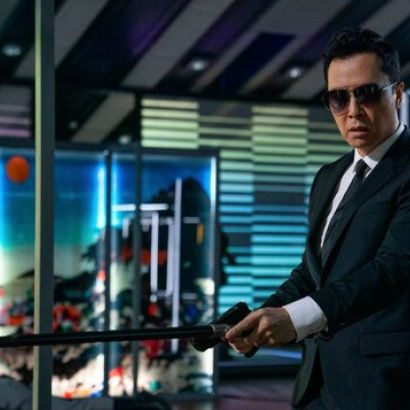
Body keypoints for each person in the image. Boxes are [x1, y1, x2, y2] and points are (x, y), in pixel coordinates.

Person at [225, 27, 409, 410]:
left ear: (398, 93)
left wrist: (296, 318)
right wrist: (259, 318)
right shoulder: (329, 176)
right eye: (338, 98)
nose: (353, 110)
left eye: (367, 93)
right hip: (316, 384)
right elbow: (313, 273)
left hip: (385, 385)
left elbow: (394, 267)